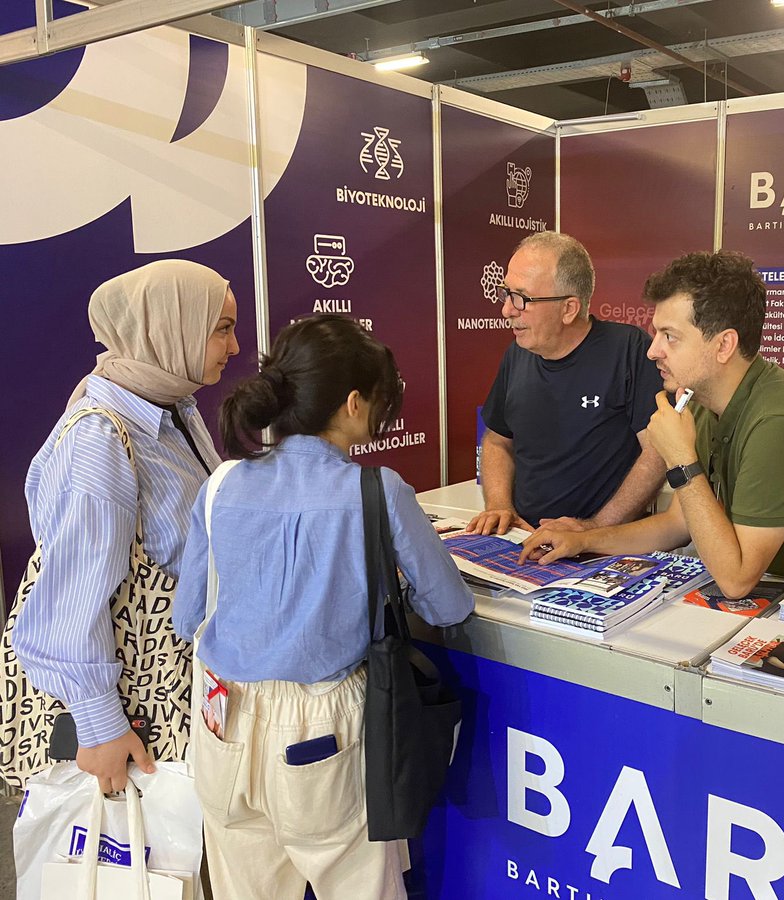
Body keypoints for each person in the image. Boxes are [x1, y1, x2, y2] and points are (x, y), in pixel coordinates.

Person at [174, 315, 473, 900]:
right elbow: (447, 605)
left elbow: (190, 617)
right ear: (355, 402)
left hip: (220, 720)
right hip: (324, 732)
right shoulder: (377, 491)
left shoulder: (221, 483)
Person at [520, 250, 784, 596]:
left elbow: (736, 579)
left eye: (670, 336)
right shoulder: (700, 401)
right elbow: (678, 523)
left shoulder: (781, 423)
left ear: (724, 345)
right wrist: (583, 540)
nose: (653, 351)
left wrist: (680, 460)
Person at [10, 259, 238, 793]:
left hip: (182, 684)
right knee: (140, 867)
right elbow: (68, 603)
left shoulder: (173, 405)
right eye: (222, 329)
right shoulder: (102, 442)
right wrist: (101, 728)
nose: (233, 347)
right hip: (137, 712)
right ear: (168, 328)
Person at [467, 232, 665, 536]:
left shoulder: (629, 350)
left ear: (569, 309)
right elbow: (497, 440)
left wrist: (595, 529)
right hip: (523, 539)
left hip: (601, 549)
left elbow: (657, 454)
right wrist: (499, 505)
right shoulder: (517, 354)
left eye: (521, 298)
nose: (507, 310)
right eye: (506, 294)